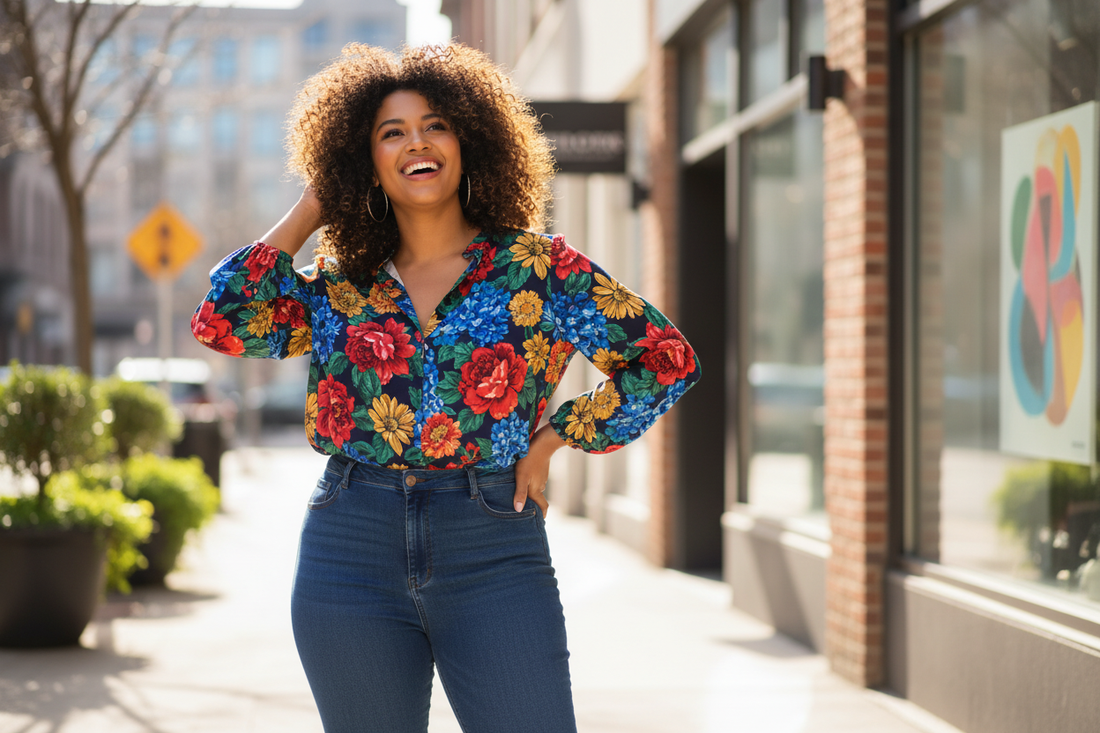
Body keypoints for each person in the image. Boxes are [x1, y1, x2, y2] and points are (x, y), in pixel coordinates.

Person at [191, 43, 700, 733]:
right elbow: (223, 320)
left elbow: (661, 360)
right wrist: (315, 202)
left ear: (469, 138)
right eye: (389, 133)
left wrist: (554, 438)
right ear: (363, 159)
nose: (416, 143)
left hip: (490, 540)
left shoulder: (536, 266)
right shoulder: (342, 283)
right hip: (350, 542)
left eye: (435, 124)